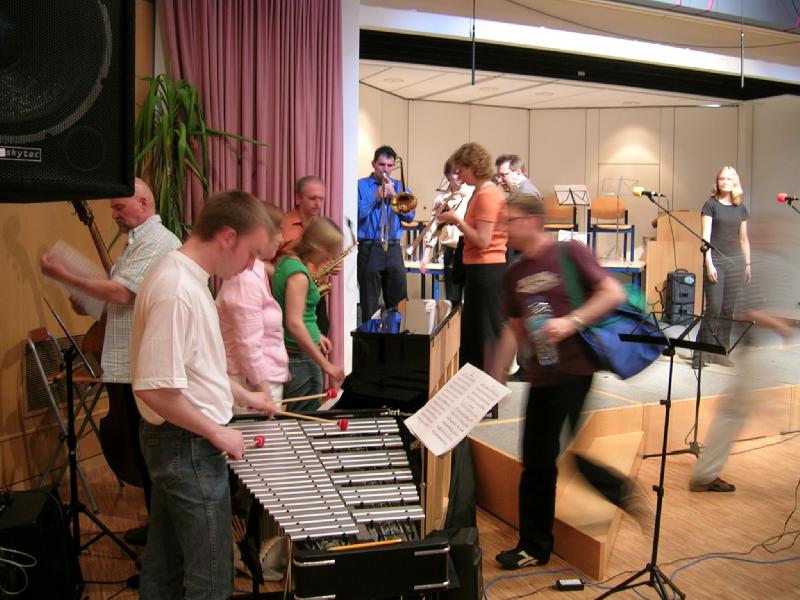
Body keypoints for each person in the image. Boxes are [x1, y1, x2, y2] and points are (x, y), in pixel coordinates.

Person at [130, 190, 279, 599]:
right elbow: (155, 388)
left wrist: (243, 395)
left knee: (165, 566)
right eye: (251, 253)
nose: (250, 265)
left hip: (182, 443)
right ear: (228, 237)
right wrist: (217, 432)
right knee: (211, 580)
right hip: (188, 445)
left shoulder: (187, 278)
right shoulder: (177, 289)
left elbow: (193, 367)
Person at [489, 193, 639, 570]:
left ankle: (536, 543)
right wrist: (495, 374)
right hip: (542, 374)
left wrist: (570, 322)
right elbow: (514, 329)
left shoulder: (569, 252)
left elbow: (613, 292)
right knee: (540, 457)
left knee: (543, 456)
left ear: (532, 220)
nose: (504, 229)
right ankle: (541, 540)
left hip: (575, 368)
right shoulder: (513, 274)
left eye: (509, 221)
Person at [39, 177, 181, 546]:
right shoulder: (135, 244)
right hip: (124, 363)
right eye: (112, 208)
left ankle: (165, 538)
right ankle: (157, 528)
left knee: (152, 459)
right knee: (142, 455)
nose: (113, 214)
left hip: (142, 367)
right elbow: (121, 304)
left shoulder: (157, 240)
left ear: (144, 204)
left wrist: (65, 275)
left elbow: (121, 293)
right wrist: (87, 299)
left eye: (119, 206)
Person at [690, 218, 795, 493]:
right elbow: (747, 313)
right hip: (754, 349)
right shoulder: (753, 266)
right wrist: (780, 325)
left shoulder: (768, 264)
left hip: (758, 352)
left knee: (734, 412)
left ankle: (705, 473)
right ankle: (704, 475)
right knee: (732, 414)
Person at [437, 142, 507, 370]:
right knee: (474, 334)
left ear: (473, 166)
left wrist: (457, 221)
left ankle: (487, 385)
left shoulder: (488, 194)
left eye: (461, 170)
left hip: (487, 270)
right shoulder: (479, 192)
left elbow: (483, 240)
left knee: (484, 335)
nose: (458, 175)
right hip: (478, 269)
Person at [216, 202, 289, 410]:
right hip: (250, 384)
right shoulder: (245, 277)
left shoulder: (255, 269)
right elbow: (248, 346)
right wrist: (265, 395)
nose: (282, 239)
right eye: (278, 231)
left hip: (258, 381)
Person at [273, 217, 345, 411]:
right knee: (303, 418)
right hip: (302, 359)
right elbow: (294, 323)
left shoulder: (286, 261)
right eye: (329, 251)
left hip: (297, 354)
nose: (330, 258)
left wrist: (317, 334)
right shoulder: (298, 274)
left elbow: (294, 311)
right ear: (317, 246)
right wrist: (326, 365)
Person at [693, 165, 751, 369]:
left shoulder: (741, 208)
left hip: (735, 263)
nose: (724, 182)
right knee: (714, 308)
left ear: (735, 182)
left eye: (728, 179)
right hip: (715, 261)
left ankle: (720, 352)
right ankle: (700, 354)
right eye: (721, 179)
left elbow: (743, 239)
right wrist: (708, 263)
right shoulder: (710, 205)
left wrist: (747, 264)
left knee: (728, 310)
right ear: (717, 182)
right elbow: (705, 238)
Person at [357, 145, 415, 323]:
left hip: (393, 248)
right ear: (373, 164)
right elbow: (357, 213)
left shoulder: (400, 187)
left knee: (398, 301)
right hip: (369, 247)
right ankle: (369, 338)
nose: (386, 170)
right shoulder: (361, 185)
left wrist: (395, 196)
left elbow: (409, 216)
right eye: (382, 165)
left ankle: (396, 336)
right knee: (370, 302)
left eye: (390, 166)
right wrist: (376, 195)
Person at [279, 176, 338, 336]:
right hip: (291, 295)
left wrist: (331, 266)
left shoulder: (321, 226)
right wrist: (287, 275)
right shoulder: (283, 225)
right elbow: (265, 263)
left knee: (321, 336)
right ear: (298, 198)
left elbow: (324, 259)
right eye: (312, 198)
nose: (318, 204)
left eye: (321, 199)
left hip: (317, 296)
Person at [419, 158, 472, 305]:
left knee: (472, 300)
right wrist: (426, 256)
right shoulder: (441, 199)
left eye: (461, 172)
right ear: (447, 175)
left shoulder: (472, 193)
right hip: (451, 251)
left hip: (470, 249)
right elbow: (433, 228)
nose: (459, 176)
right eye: (455, 173)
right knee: (453, 299)